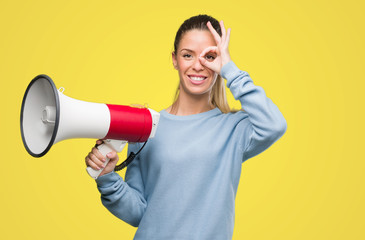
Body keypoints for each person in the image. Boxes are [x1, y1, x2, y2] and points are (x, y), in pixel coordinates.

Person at [85, 14, 287, 240]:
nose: (198, 65)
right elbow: (141, 213)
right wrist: (107, 177)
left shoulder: (234, 130)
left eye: (209, 56)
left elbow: (274, 125)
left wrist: (230, 69)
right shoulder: (146, 127)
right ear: (174, 59)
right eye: (187, 55)